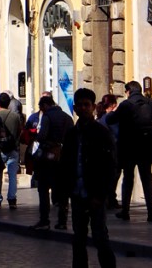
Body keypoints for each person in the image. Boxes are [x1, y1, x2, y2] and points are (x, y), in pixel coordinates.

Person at [58, 88, 117, 268]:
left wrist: (102, 194)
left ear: (93, 107)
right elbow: (65, 164)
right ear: (75, 108)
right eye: (80, 105)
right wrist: (63, 193)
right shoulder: (71, 134)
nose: (83, 108)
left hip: (95, 194)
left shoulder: (101, 132)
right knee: (79, 239)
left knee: (100, 237)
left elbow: (110, 166)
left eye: (87, 105)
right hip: (77, 193)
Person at [106, 80, 152, 222]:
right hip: (146, 146)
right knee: (147, 178)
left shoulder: (125, 105)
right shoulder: (151, 103)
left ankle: (125, 210)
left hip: (129, 146)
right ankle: (151, 212)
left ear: (128, 91)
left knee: (128, 178)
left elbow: (110, 119)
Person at [32, 94, 72, 230]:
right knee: (62, 191)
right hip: (64, 157)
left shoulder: (47, 117)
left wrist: (36, 137)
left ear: (45, 106)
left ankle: (44, 220)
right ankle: (62, 221)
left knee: (43, 188)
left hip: (49, 157)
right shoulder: (68, 117)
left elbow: (42, 135)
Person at [0, 93, 23, 210]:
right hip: (12, 149)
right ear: (9, 103)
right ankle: (12, 199)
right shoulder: (15, 116)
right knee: (12, 176)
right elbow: (20, 131)